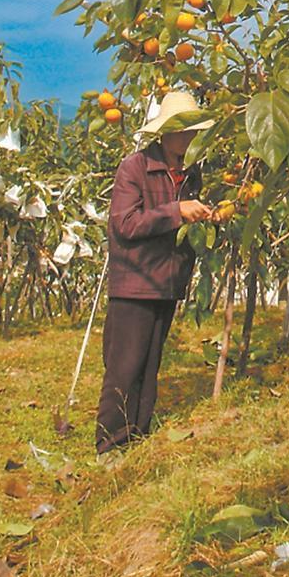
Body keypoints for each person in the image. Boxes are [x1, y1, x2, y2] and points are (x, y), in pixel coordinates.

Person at [95, 90, 213, 455]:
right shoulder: (135, 167)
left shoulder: (192, 174)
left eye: (193, 130)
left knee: (149, 366)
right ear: (165, 133)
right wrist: (177, 211)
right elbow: (125, 224)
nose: (189, 137)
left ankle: (138, 435)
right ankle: (109, 444)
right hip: (135, 282)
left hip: (167, 282)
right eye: (183, 130)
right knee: (124, 367)